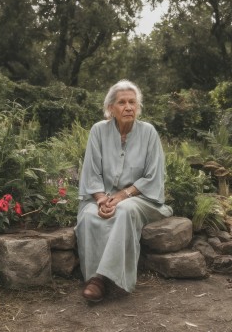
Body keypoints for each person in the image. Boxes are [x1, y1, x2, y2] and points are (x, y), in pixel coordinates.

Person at [75, 79, 173, 302]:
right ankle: (94, 276)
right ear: (111, 108)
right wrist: (101, 199)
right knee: (89, 215)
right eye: (122, 102)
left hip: (141, 198)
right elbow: (91, 172)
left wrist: (120, 196)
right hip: (104, 196)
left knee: (124, 211)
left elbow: (152, 176)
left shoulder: (148, 132)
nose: (129, 107)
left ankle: (100, 279)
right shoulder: (98, 131)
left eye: (132, 102)